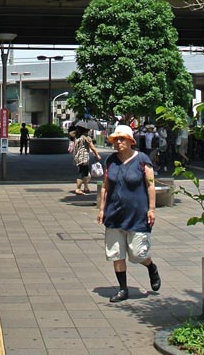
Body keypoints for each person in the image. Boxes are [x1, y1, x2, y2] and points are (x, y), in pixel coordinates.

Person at [97, 124, 161, 303]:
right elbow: (105, 186)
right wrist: (102, 209)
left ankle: (151, 267)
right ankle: (123, 289)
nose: (118, 142)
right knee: (116, 253)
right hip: (114, 214)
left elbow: (150, 185)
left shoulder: (142, 160)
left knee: (138, 253)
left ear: (130, 141)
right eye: (115, 139)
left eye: (122, 139)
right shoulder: (111, 161)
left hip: (137, 215)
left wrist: (152, 209)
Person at [72, 126, 99, 195]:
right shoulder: (86, 137)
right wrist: (97, 154)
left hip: (78, 157)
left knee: (85, 172)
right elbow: (92, 147)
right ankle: (78, 189)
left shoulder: (78, 137)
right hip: (83, 157)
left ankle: (86, 187)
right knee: (82, 173)